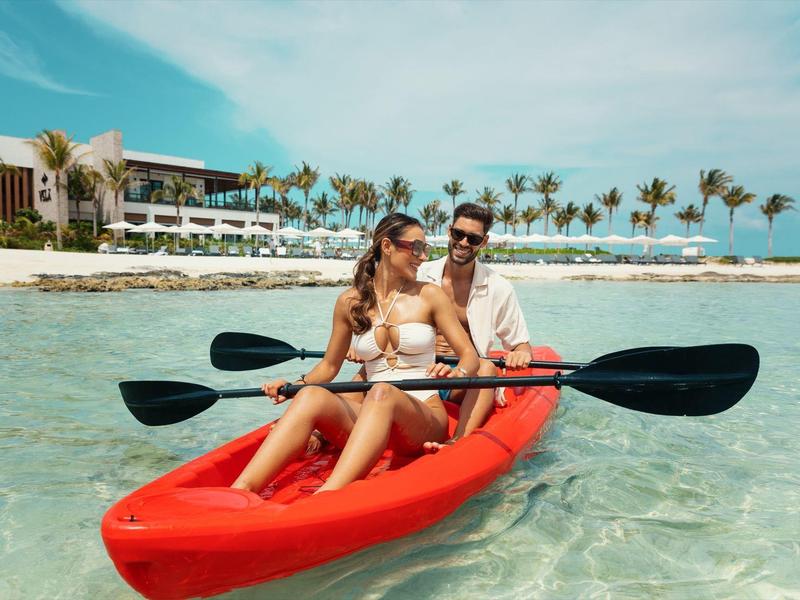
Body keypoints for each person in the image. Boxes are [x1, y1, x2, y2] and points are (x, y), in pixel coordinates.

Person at [232, 213, 479, 494]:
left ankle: (328, 495)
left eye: (425, 250)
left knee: (381, 391)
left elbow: (469, 356)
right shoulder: (349, 302)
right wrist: (292, 387)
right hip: (371, 416)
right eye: (417, 247)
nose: (423, 257)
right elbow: (328, 367)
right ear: (387, 246)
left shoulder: (430, 295)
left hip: (423, 416)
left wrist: (456, 371)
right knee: (313, 395)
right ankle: (241, 490)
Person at [417, 202, 533, 451]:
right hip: (416, 370)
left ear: (484, 241)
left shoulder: (498, 287)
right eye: (459, 234)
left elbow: (520, 344)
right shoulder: (419, 275)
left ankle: (456, 443)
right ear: (449, 231)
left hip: (462, 381)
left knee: (486, 366)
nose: (464, 243)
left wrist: (520, 354)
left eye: (473, 238)